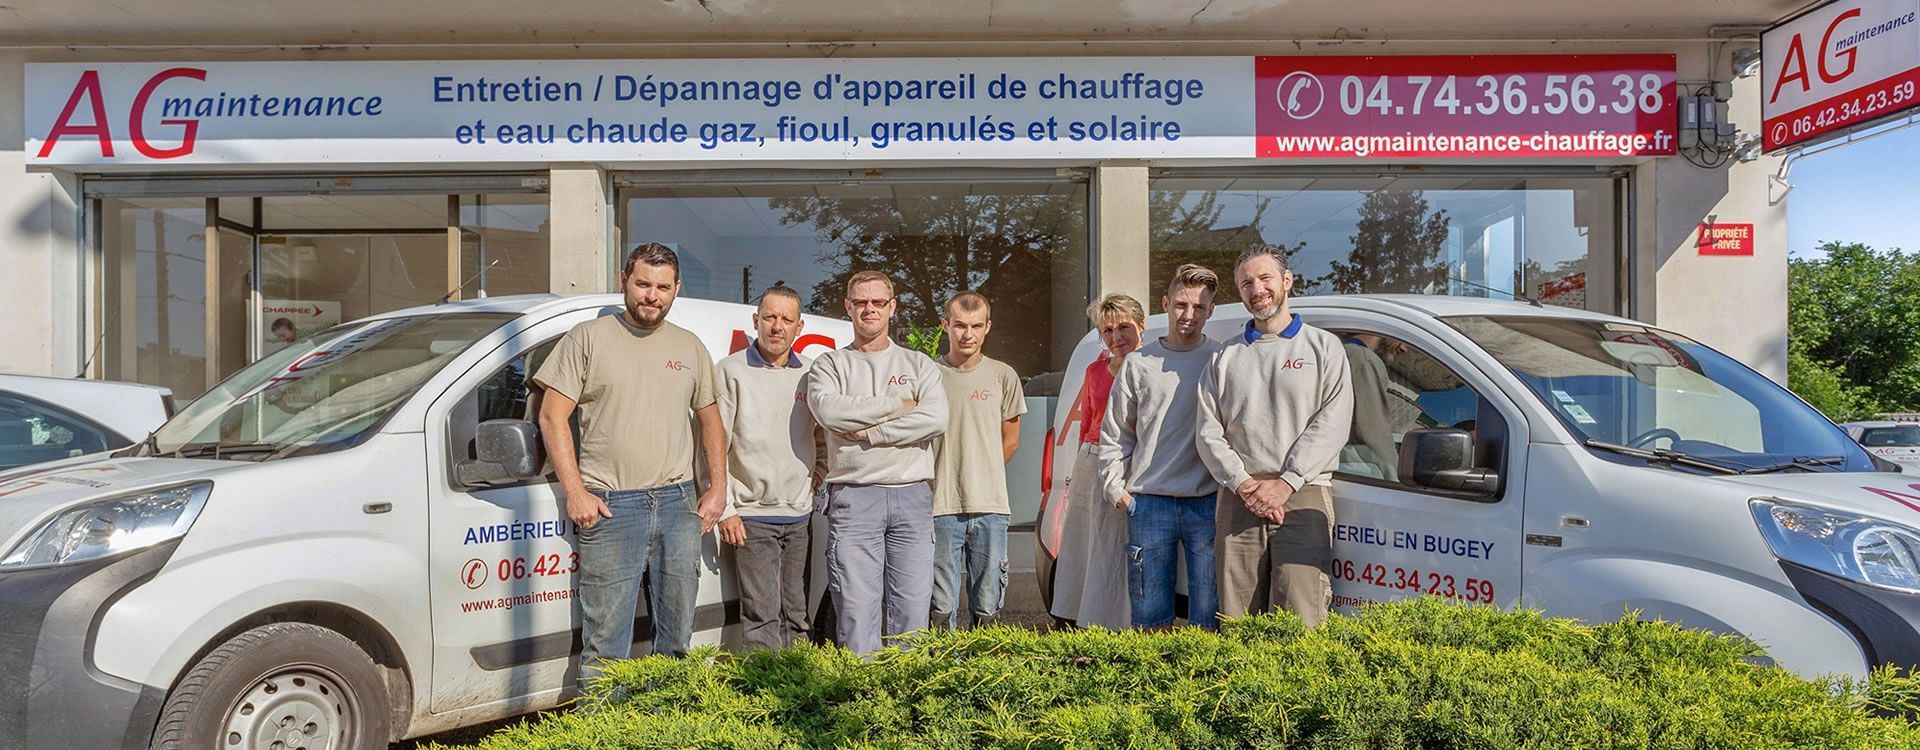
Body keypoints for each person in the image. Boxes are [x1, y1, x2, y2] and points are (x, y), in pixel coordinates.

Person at [530, 242, 727, 684]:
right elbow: (551, 416)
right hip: (611, 507)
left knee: (676, 642)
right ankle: (606, 721)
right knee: (606, 647)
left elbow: (711, 421)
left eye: (662, 287)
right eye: (642, 284)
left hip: (678, 504)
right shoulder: (587, 338)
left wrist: (718, 488)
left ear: (677, 289)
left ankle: (666, 717)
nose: (651, 296)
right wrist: (576, 492)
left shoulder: (690, 346)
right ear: (624, 280)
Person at [1197, 244, 1353, 626]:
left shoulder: (1323, 347)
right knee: (1237, 622)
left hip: (1304, 493)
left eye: (1265, 278)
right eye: (1246, 283)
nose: (1257, 289)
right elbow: (1207, 431)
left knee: (1302, 618)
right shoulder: (1223, 357)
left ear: (1287, 281)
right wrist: (1244, 485)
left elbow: (1333, 422)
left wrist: (1286, 482)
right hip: (1239, 499)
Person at [805, 270, 949, 655]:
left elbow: (936, 419)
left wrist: (872, 433)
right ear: (848, 307)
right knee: (855, 611)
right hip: (854, 497)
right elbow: (829, 412)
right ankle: (862, 687)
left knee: (912, 610)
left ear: (892, 307)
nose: (870, 309)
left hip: (912, 496)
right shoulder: (830, 365)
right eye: (861, 302)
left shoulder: (919, 365)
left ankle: (904, 686)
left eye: (878, 302)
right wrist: (897, 405)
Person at [1098, 265, 1224, 630]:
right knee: (1150, 622)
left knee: (1209, 620)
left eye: (1198, 307)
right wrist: (1117, 492)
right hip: (1148, 502)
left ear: (1211, 310)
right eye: (1181, 305)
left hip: (1208, 501)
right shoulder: (1139, 364)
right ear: (1166, 304)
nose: (1189, 314)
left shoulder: (1221, 359)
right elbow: (1116, 433)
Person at [715, 284, 827, 650]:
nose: (777, 326)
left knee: (797, 616)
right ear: (756, 321)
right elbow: (713, 446)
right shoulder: (730, 371)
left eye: (786, 319)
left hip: (800, 516)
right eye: (769, 317)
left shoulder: (812, 373)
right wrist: (726, 509)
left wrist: (820, 470)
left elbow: (824, 433)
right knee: (761, 617)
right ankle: (764, 685)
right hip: (752, 517)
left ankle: (798, 682)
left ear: (799, 326)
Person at [1048, 292, 1145, 630]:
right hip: (1092, 460)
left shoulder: (1152, 367)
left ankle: (1113, 621)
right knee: (1081, 541)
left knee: (1116, 545)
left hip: (1132, 462)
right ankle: (1073, 615)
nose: (1116, 337)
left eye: (1123, 327)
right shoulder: (1093, 371)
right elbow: (1087, 423)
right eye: (1107, 330)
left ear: (1141, 326)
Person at [930, 291, 1026, 629]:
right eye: (959, 325)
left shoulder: (1003, 375)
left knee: (988, 607)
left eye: (975, 326)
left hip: (991, 508)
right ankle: (943, 663)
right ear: (945, 325)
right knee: (940, 606)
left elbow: (1010, 440)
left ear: (987, 327)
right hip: (940, 506)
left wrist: (983, 473)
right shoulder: (929, 374)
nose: (967, 334)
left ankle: (981, 662)